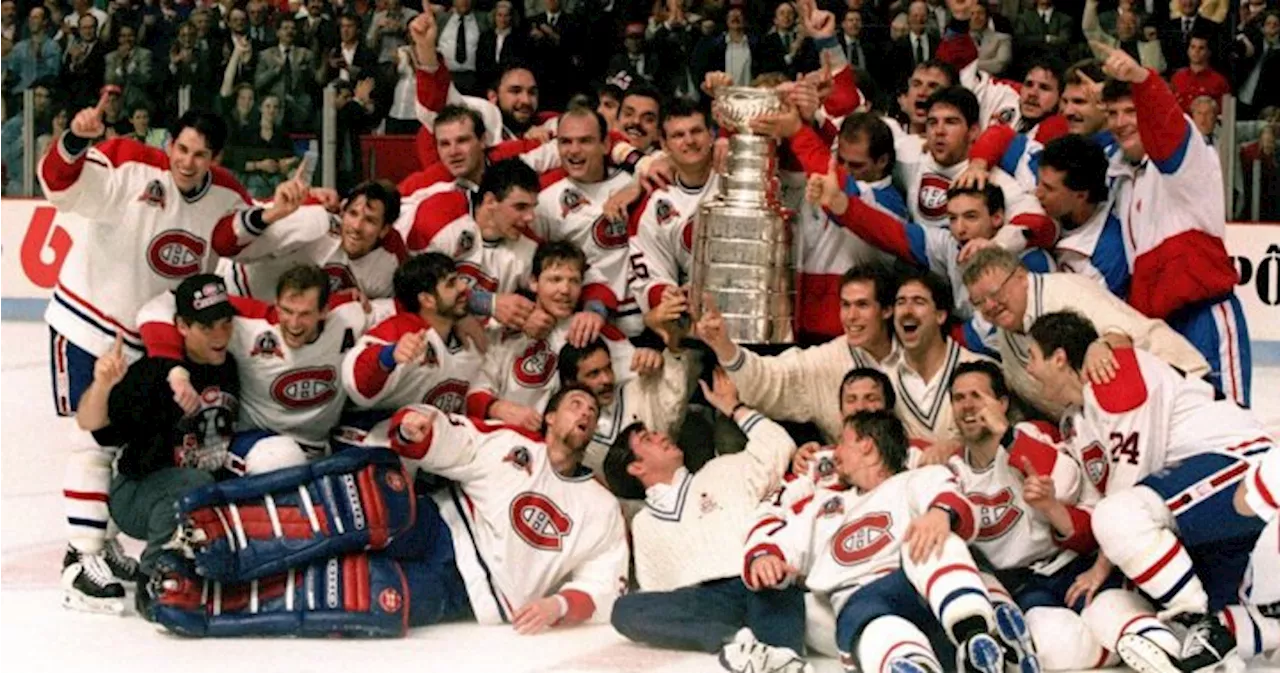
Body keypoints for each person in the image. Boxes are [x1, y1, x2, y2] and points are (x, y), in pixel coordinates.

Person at [38, 98, 293, 612]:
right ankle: (79, 558)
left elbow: (227, 235)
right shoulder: (129, 163)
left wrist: (272, 212)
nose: (187, 161)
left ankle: (100, 548)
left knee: (124, 446)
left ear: (214, 157)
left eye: (200, 154)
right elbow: (61, 187)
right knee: (92, 438)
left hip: (151, 337)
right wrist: (74, 139)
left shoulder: (223, 191)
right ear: (167, 143)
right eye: (181, 148)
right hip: (91, 322)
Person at [146, 386, 628, 639]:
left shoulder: (601, 508)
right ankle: (216, 535)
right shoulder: (513, 445)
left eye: (590, 410)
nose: (583, 413)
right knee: (370, 496)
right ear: (550, 416)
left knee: (355, 593)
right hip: (439, 529)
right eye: (574, 403)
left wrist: (559, 605)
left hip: (468, 593)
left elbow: (604, 582)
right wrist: (420, 428)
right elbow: (456, 442)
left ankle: (200, 598)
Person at [1024, 310, 1271, 673]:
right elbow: (1098, 506)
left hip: (1240, 461)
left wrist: (1100, 567)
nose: (1027, 369)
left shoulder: (1114, 375)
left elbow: (1126, 490)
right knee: (1222, 611)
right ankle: (1213, 641)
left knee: (1121, 520)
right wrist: (1052, 508)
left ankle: (1194, 621)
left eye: (1031, 356)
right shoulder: (1076, 421)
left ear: (1059, 357)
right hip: (1197, 496)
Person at [743, 410, 1021, 673]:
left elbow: (948, 496)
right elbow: (782, 540)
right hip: (857, 600)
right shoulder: (823, 504)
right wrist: (766, 558)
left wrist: (940, 513)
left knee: (936, 538)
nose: (835, 453)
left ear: (866, 445)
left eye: (842, 441)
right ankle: (914, 663)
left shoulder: (915, 479)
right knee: (880, 633)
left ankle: (975, 632)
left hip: (917, 589)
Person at [944, 361, 1179, 671]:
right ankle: (1117, 649)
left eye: (977, 395)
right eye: (959, 398)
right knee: (1051, 642)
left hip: (1075, 566)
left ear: (1001, 403)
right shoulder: (952, 471)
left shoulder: (1030, 433)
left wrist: (1005, 433)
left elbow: (1068, 483)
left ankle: (1168, 652)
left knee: (1113, 613)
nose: (968, 405)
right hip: (1026, 586)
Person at [606, 367, 801, 669]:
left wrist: (734, 408)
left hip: (754, 580)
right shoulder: (644, 524)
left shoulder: (722, 469)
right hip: (706, 604)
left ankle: (780, 657)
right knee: (625, 610)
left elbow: (778, 446)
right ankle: (737, 640)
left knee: (776, 586)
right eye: (648, 438)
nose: (661, 436)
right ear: (636, 468)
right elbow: (660, 593)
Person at [1096, 42, 1251, 407]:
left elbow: (1166, 127)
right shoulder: (1122, 175)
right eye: (1113, 113)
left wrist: (1141, 79)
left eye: (1131, 111)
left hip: (1204, 319)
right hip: (1159, 331)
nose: (1121, 122)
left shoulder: (1186, 158)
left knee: (1230, 426)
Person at [74, 274, 239, 611]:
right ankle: (152, 578)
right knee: (194, 482)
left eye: (225, 324)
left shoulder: (230, 365)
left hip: (197, 492)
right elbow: (91, 423)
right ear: (181, 326)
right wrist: (103, 385)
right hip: (138, 494)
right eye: (207, 328)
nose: (220, 335)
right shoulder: (154, 376)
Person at [139, 264, 374, 475]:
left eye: (304, 314)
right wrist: (175, 372)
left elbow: (395, 316)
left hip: (321, 443)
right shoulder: (249, 326)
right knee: (283, 458)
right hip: (257, 443)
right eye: (286, 310)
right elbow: (158, 308)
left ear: (325, 310)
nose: (293, 324)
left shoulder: (349, 318)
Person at [959, 247, 1207, 418]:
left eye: (995, 293)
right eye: (979, 302)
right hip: (1109, 423)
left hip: (1183, 393)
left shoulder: (1065, 291)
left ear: (1022, 277)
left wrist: (1104, 345)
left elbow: (1122, 335)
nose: (990, 306)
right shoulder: (1007, 333)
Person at [704, 265, 899, 445]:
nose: (851, 316)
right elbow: (773, 377)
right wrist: (725, 347)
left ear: (887, 310)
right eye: (846, 305)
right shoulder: (825, 361)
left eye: (862, 305)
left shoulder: (917, 354)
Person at [466, 241, 634, 431]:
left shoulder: (590, 328)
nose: (565, 290)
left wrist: (647, 357)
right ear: (534, 282)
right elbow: (472, 393)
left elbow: (636, 373)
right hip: (507, 442)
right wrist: (497, 408)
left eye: (574, 281)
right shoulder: (504, 331)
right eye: (555, 279)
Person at [533, 106, 639, 338]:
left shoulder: (631, 181)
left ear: (605, 145)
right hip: (585, 324)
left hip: (642, 319)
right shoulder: (545, 200)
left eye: (585, 141)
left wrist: (638, 185)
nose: (574, 151)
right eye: (566, 142)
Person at [342, 253, 483, 418]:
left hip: (436, 434)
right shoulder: (402, 329)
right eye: (451, 283)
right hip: (374, 434)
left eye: (459, 278)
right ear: (427, 300)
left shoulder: (464, 335)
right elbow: (357, 383)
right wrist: (389, 355)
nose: (463, 286)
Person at [225, 180, 406, 300]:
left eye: (370, 221)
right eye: (353, 214)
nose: (357, 226)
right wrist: (296, 198)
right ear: (342, 210)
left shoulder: (386, 266)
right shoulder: (313, 222)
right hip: (235, 287)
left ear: (384, 230)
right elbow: (248, 221)